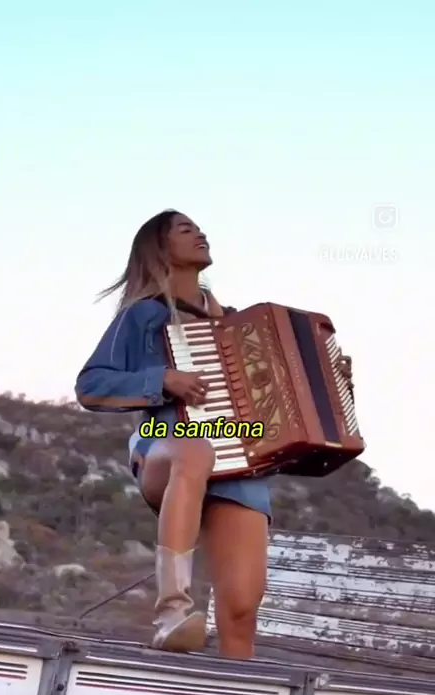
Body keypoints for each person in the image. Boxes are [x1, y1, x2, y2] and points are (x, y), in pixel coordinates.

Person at [75, 209, 354, 660]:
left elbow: (283, 407)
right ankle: (172, 611)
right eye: (185, 229)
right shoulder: (144, 315)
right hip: (166, 444)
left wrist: (334, 381)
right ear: (160, 247)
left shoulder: (241, 326)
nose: (200, 233)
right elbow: (91, 385)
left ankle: (236, 694)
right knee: (196, 451)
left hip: (240, 463)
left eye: (200, 228)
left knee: (242, 607)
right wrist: (162, 378)